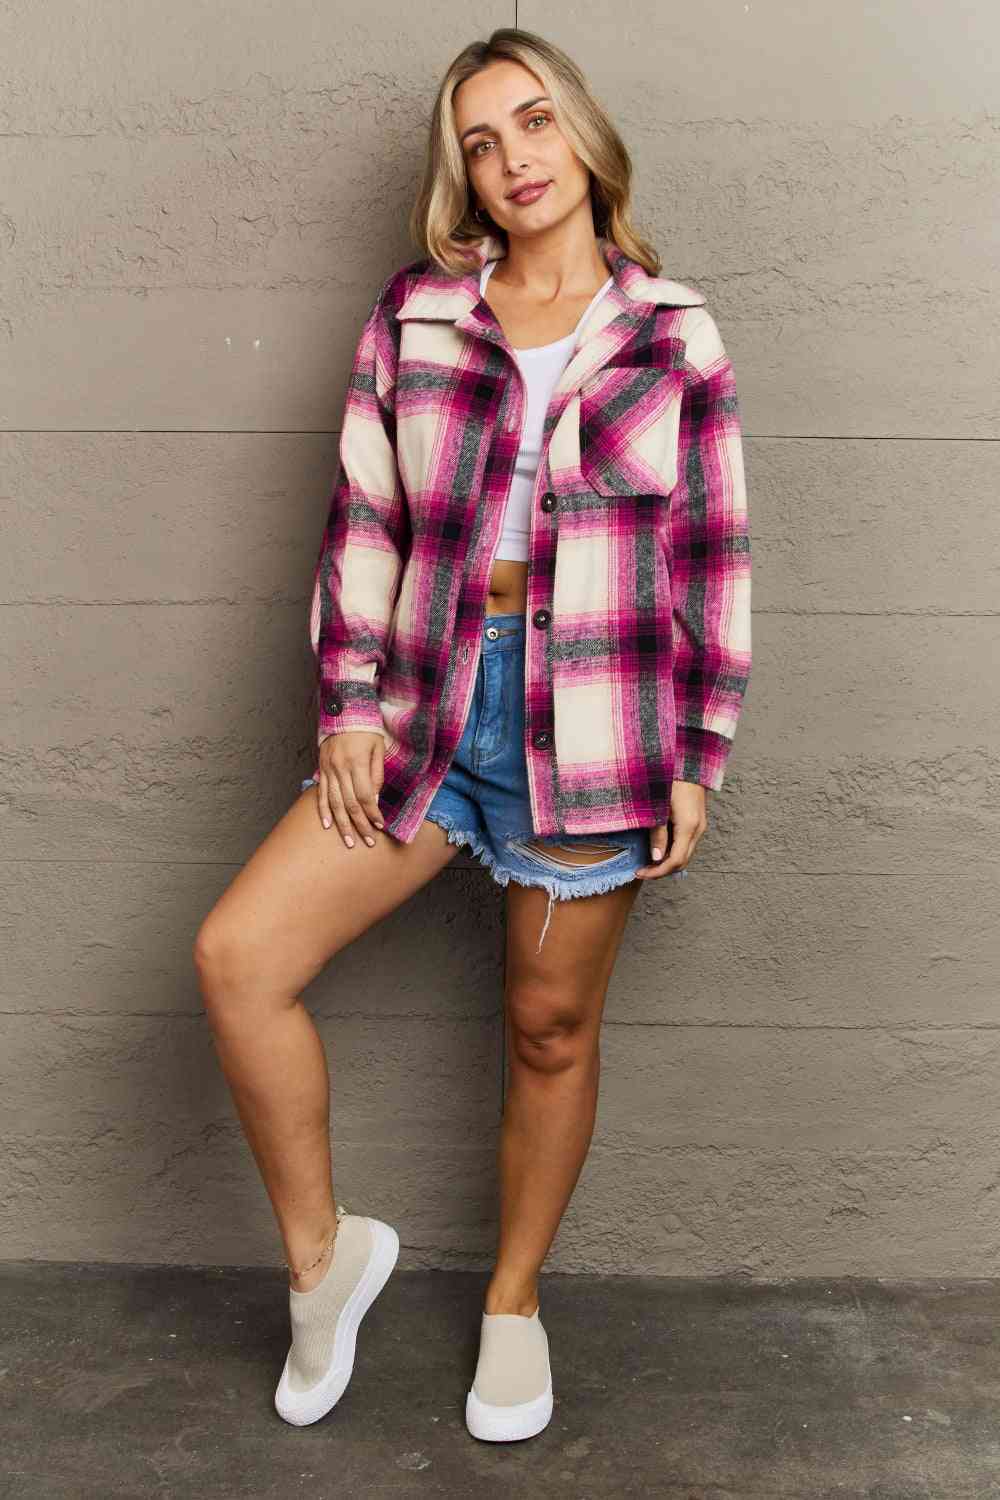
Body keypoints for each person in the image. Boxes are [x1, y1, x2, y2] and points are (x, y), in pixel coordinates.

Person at [193, 26, 752, 1444]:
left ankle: (513, 1299)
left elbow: (711, 554)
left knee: (548, 1031)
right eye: (483, 142)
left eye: (535, 121)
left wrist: (699, 750)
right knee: (240, 960)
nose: (515, 159)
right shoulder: (419, 316)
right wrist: (348, 704)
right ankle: (326, 1266)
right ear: (465, 174)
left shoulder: (673, 332)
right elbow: (366, 515)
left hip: (601, 718)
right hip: (430, 709)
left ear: (585, 134)